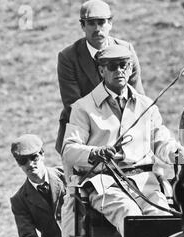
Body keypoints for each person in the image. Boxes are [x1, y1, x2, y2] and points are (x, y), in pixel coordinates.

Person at [62, 44, 184, 237]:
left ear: (130, 69)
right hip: (105, 185)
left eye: (124, 65)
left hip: (145, 184)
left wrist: (174, 152)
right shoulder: (83, 107)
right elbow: (69, 150)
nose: (119, 70)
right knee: (131, 217)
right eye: (112, 66)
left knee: (162, 220)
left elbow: (160, 140)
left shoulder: (147, 105)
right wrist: (95, 153)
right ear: (102, 70)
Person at [55, 0, 144, 154]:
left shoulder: (126, 49)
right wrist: (106, 133)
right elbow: (72, 105)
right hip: (84, 134)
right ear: (82, 26)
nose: (97, 29)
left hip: (126, 132)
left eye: (101, 22)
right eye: (91, 23)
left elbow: (138, 98)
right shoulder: (68, 57)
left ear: (110, 24)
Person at [10, 134, 66, 237]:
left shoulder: (67, 176)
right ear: (18, 163)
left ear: (42, 155)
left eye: (34, 157)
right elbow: (28, 236)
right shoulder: (19, 200)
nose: (30, 164)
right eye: (23, 161)